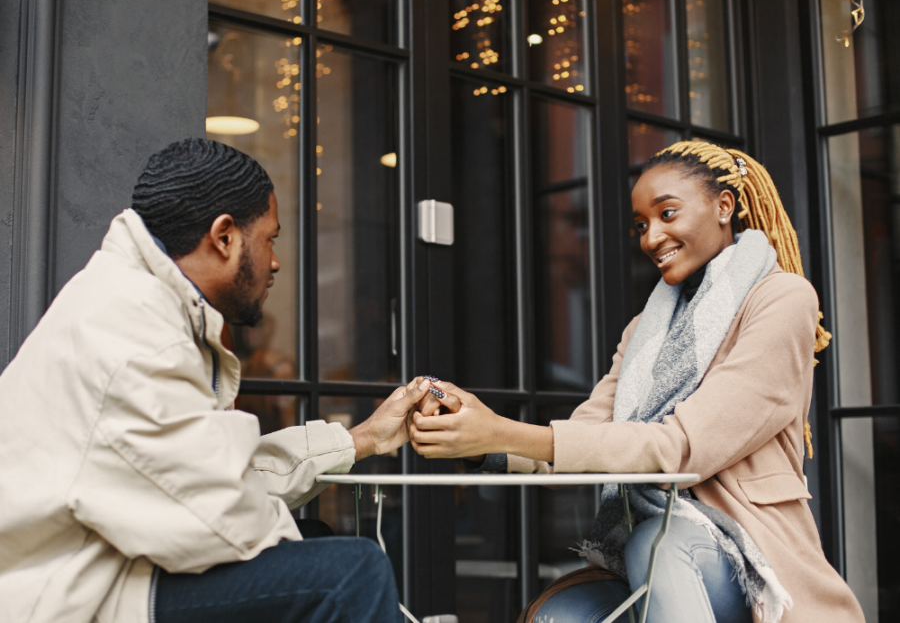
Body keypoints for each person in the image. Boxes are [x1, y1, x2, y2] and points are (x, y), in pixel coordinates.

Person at [409, 142, 864, 623]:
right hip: (644, 548)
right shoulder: (645, 328)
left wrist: (502, 431)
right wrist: (478, 435)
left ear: (724, 207)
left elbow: (684, 448)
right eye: (642, 225)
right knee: (556, 616)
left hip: (746, 548)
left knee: (659, 542)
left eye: (668, 213)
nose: (652, 238)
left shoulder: (782, 299)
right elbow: (583, 438)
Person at [0, 138, 432, 623]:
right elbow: (223, 515)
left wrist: (362, 438)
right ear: (224, 237)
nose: (275, 262)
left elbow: (217, 478)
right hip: (67, 600)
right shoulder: (134, 331)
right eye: (270, 239)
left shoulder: (142, 305)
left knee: (319, 544)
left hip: (113, 571)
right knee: (352, 572)